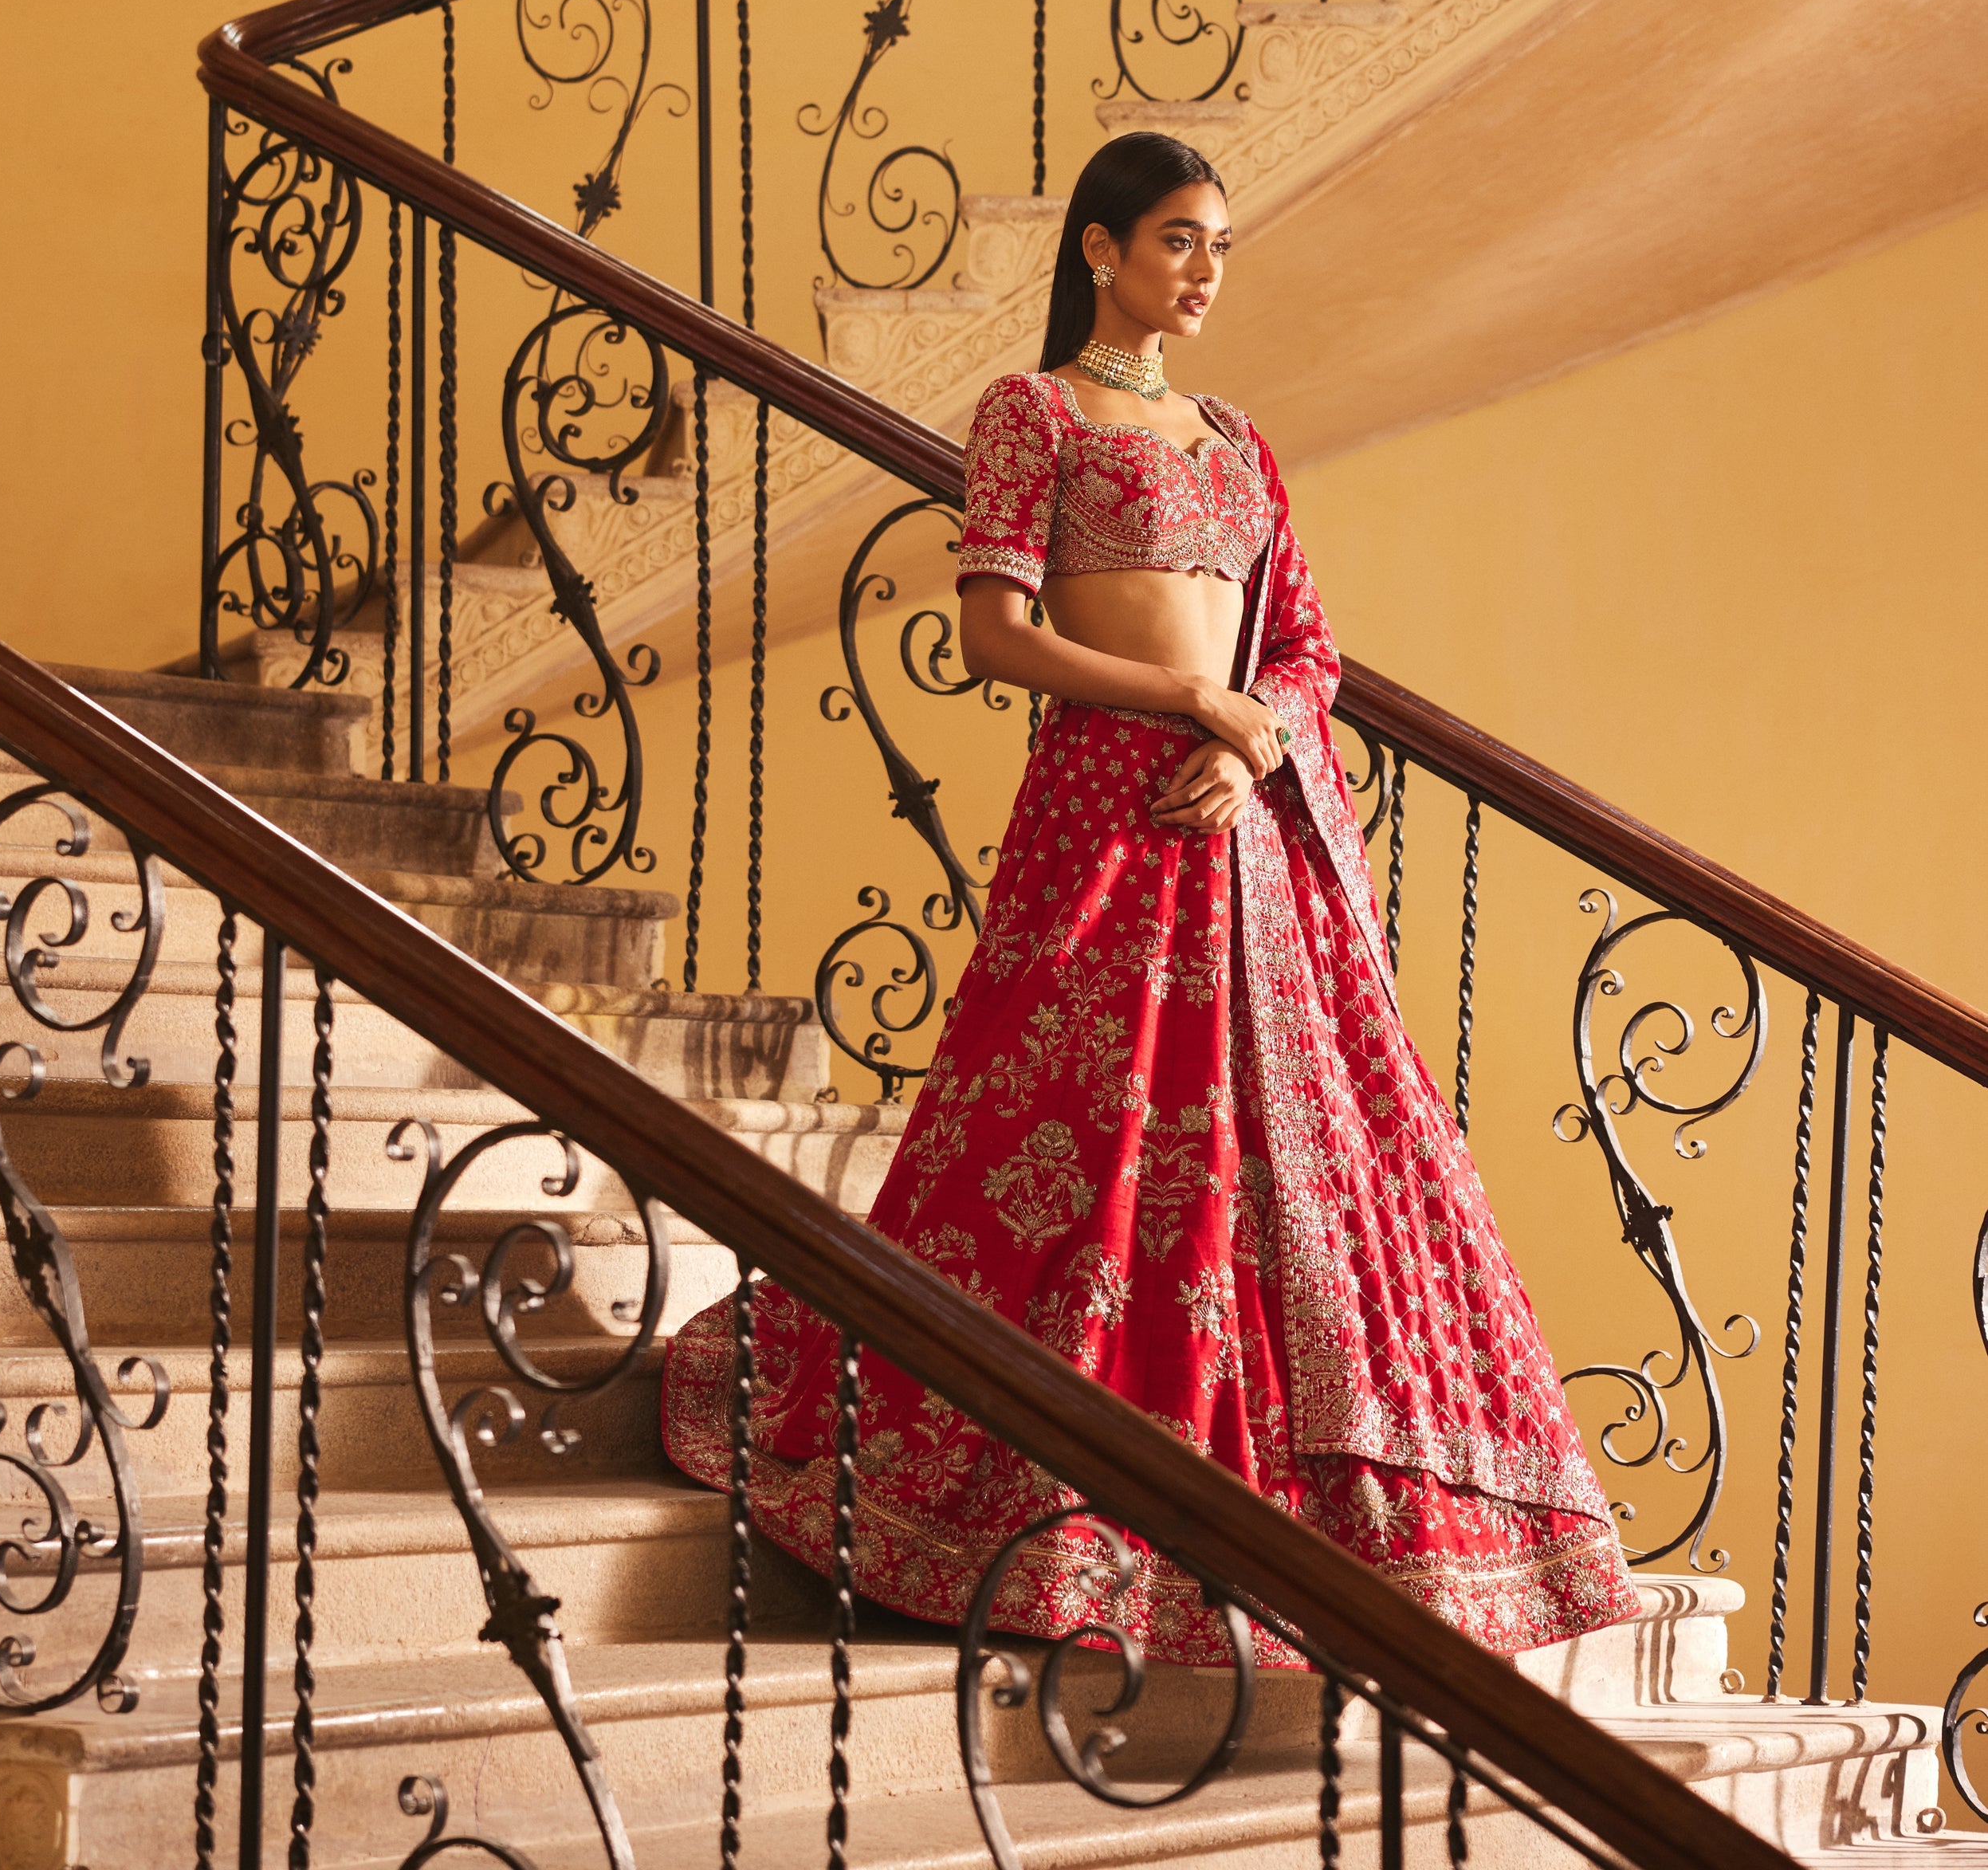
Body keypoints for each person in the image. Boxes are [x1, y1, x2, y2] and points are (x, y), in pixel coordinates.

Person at [662, 131, 1638, 1665]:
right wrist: (1191, 693)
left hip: (1240, 830)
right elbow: (998, 637)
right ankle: (1046, 1496)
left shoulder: (1240, 442)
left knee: (1285, 1155)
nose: (1204, 271)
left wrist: (1252, 751)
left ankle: (1308, 1509)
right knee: (1071, 1130)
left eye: (1222, 245)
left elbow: (1307, 655)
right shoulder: (1030, 413)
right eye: (1178, 239)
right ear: (1101, 251)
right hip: (1104, 818)